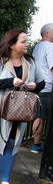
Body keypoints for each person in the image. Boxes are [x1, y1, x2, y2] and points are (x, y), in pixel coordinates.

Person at [0, 29, 45, 184]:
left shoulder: (31, 62)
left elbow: (42, 83)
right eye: (23, 41)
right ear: (12, 44)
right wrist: (10, 81)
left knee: (12, 142)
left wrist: (34, 86)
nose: (27, 44)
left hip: (20, 110)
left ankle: (5, 181)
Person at [31, 23, 53, 153]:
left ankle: (36, 144)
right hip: (47, 86)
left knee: (38, 116)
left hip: (37, 85)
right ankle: (37, 144)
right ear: (47, 33)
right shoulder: (50, 47)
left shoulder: (37, 47)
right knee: (42, 117)